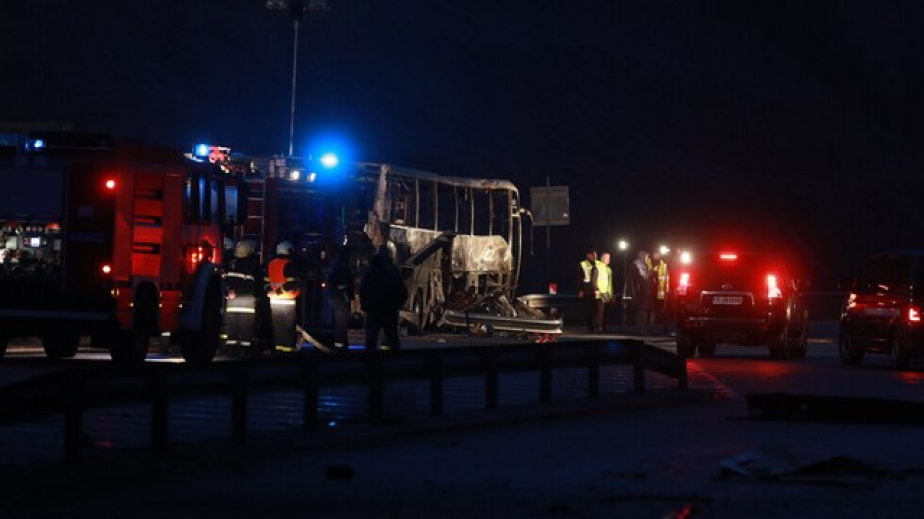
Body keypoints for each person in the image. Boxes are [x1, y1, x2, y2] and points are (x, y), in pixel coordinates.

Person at [359, 247, 408, 352]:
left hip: (373, 310)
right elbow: (402, 292)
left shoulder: (370, 270)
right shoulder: (393, 271)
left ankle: (370, 360)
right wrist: (397, 305)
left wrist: (364, 304)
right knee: (392, 339)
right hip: (389, 310)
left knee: (371, 340)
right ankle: (394, 359)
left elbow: (362, 290)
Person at [224, 240, 264, 354]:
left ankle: (230, 349)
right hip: (248, 301)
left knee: (232, 325)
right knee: (246, 326)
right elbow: (259, 283)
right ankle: (244, 350)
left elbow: (227, 281)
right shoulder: (253, 265)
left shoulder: (231, 264)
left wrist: (228, 293)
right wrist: (259, 297)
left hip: (232, 301)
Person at [266, 241, 304, 353]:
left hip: (274, 302)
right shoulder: (289, 264)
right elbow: (291, 284)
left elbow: (267, 283)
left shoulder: (271, 264)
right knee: (288, 328)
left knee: (278, 328)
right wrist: (278, 292)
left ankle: (279, 350)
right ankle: (288, 352)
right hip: (287, 301)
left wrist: (270, 291)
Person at [326, 244, 354, 349]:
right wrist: (347, 296)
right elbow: (341, 285)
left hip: (338, 299)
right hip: (341, 299)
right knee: (342, 323)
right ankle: (340, 346)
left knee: (341, 323)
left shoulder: (335, 265)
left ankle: (342, 343)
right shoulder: (341, 267)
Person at [625, 250, 654, 335]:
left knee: (641, 311)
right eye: (646, 256)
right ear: (642, 256)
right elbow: (643, 277)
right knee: (642, 311)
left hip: (640, 291)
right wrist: (652, 272)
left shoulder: (639, 264)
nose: (647, 258)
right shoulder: (638, 264)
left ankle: (641, 329)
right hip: (640, 292)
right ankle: (641, 329)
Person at [578, 248, 601, 333]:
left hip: (596, 290)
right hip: (587, 290)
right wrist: (580, 290)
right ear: (588, 255)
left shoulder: (598, 264)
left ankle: (596, 326)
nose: (595, 256)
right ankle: (590, 327)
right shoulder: (583, 264)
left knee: (596, 309)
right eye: (593, 254)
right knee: (588, 309)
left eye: (595, 254)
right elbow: (579, 278)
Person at [647, 250, 671, 330]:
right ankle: (650, 327)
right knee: (651, 310)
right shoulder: (648, 263)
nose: (656, 255)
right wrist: (653, 270)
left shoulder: (664, 265)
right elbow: (644, 276)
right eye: (655, 253)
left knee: (663, 310)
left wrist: (667, 291)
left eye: (657, 254)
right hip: (650, 291)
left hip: (660, 293)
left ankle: (664, 327)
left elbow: (667, 279)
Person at [597, 251, 614, 332]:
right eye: (606, 258)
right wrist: (597, 290)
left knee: (607, 311)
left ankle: (605, 327)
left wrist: (611, 294)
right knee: (600, 311)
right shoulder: (598, 267)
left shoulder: (609, 270)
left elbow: (610, 283)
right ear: (601, 258)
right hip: (600, 292)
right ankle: (599, 327)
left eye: (609, 258)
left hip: (607, 293)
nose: (608, 259)